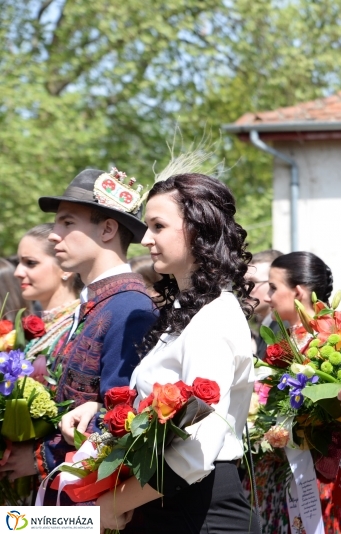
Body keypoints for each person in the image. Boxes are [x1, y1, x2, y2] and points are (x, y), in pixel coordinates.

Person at [64, 171, 258, 532]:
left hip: (198, 508)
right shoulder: (188, 314)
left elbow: (196, 450)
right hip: (167, 499)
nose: (146, 239)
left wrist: (113, 505)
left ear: (197, 229)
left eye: (158, 226)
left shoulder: (214, 318)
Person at [0, 168, 156, 496]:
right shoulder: (97, 301)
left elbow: (124, 418)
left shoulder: (129, 307)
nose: (55, 234)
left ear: (108, 229)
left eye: (68, 223)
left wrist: (41, 457)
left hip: (88, 499)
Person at [245, 251, 341, 534]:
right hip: (279, 469)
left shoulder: (333, 342)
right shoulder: (286, 339)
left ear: (299, 292)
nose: (267, 297)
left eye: (274, 287)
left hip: (314, 476)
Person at [14, 224, 83, 377]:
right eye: (18, 262)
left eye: (30, 263)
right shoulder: (38, 323)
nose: (18, 272)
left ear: (66, 268)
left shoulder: (81, 326)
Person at [247, 249, 284, 357]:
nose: (246, 288)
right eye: (244, 282)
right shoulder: (266, 325)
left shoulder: (284, 330)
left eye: (253, 282)